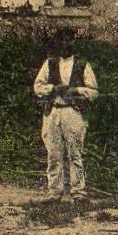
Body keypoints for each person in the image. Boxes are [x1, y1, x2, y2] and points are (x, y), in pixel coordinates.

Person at [33, 28, 98, 201]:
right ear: (57, 43)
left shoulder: (82, 64)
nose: (65, 44)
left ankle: (78, 192)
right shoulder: (50, 63)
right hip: (53, 111)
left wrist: (75, 90)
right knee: (53, 153)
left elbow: (93, 91)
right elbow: (37, 86)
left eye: (68, 40)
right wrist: (53, 88)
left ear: (73, 42)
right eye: (61, 40)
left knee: (75, 153)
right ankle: (54, 191)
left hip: (73, 112)